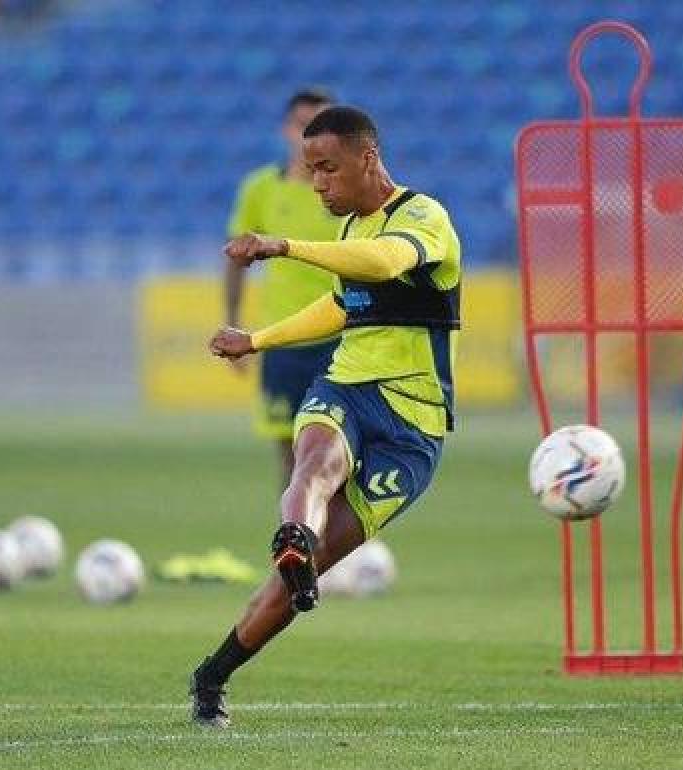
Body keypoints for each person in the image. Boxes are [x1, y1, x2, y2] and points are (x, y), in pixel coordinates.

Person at [189, 106, 461, 727]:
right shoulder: (346, 230)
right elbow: (342, 306)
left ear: (368, 159)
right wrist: (255, 340)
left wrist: (282, 246)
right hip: (346, 386)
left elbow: (388, 264)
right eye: (310, 171)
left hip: (413, 426)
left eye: (327, 169)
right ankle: (294, 540)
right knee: (312, 462)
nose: (316, 184)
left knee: (297, 580)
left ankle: (212, 674)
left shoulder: (423, 218)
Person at [225, 87, 341, 483]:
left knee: (338, 455)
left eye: (320, 125)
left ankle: (344, 544)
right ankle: (294, 544)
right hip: (281, 343)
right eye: (301, 124)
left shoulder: (347, 191)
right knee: (290, 460)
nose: (310, 133)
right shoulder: (260, 189)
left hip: (341, 340)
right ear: (286, 130)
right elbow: (236, 261)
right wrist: (234, 324)